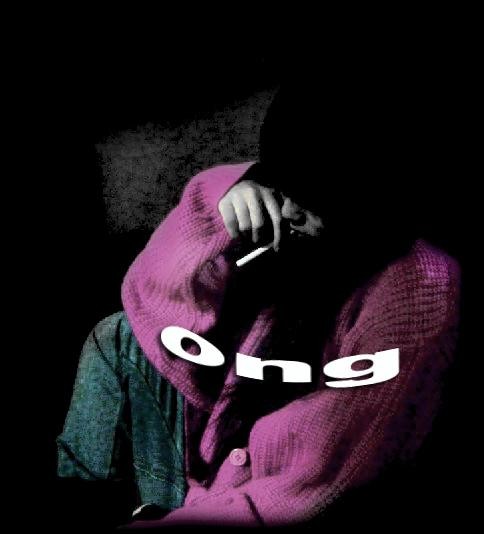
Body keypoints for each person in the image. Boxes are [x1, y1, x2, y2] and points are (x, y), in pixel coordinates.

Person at [56, 71, 461, 528]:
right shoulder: (297, 229)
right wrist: (220, 207)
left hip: (260, 511)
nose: (286, 209)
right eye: (281, 185)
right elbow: (150, 306)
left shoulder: (417, 290)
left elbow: (313, 487)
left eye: (310, 199)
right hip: (214, 466)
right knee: (118, 337)